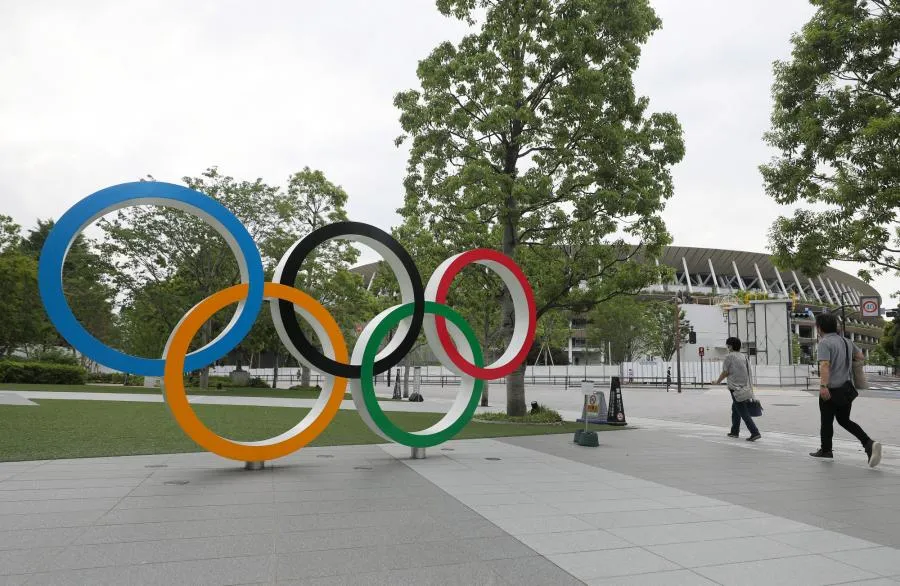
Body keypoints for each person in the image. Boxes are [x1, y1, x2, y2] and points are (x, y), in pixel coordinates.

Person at [809, 313, 881, 467]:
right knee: (844, 420)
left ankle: (826, 450)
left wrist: (823, 386)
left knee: (827, 421)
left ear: (819, 327)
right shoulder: (846, 341)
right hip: (846, 388)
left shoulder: (824, 343)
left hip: (831, 389)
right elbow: (860, 356)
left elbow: (824, 365)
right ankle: (868, 443)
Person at [714, 337, 761, 442]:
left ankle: (755, 432)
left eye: (728, 345)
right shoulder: (744, 357)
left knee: (743, 411)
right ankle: (734, 431)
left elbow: (725, 372)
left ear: (730, 346)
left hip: (735, 388)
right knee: (735, 409)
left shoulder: (729, 357)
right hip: (744, 388)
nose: (727, 347)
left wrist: (717, 381)